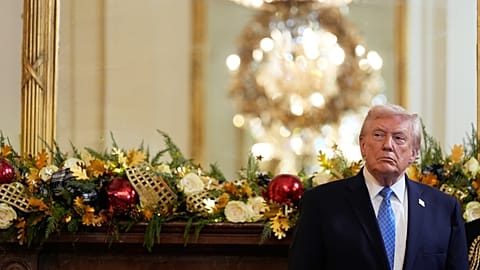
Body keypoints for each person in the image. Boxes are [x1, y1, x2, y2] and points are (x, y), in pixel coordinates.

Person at [288, 103, 469, 270]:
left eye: (399, 138)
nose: (387, 145)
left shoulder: (444, 209)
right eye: (378, 135)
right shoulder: (321, 203)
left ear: (413, 153)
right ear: (363, 145)